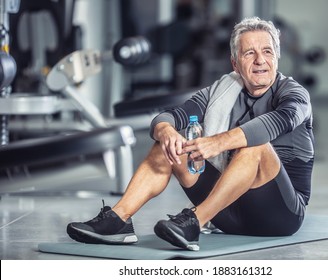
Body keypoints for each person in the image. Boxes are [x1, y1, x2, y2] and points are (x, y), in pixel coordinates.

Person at [67, 16, 315, 251]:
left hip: (279, 216)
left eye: (267, 51)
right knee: (169, 145)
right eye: (249, 53)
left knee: (256, 146)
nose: (260, 60)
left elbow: (276, 122)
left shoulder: (294, 94)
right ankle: (118, 220)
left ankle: (194, 223)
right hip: (227, 212)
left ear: (277, 57)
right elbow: (172, 115)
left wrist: (218, 143)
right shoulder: (221, 90)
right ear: (235, 63)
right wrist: (166, 131)